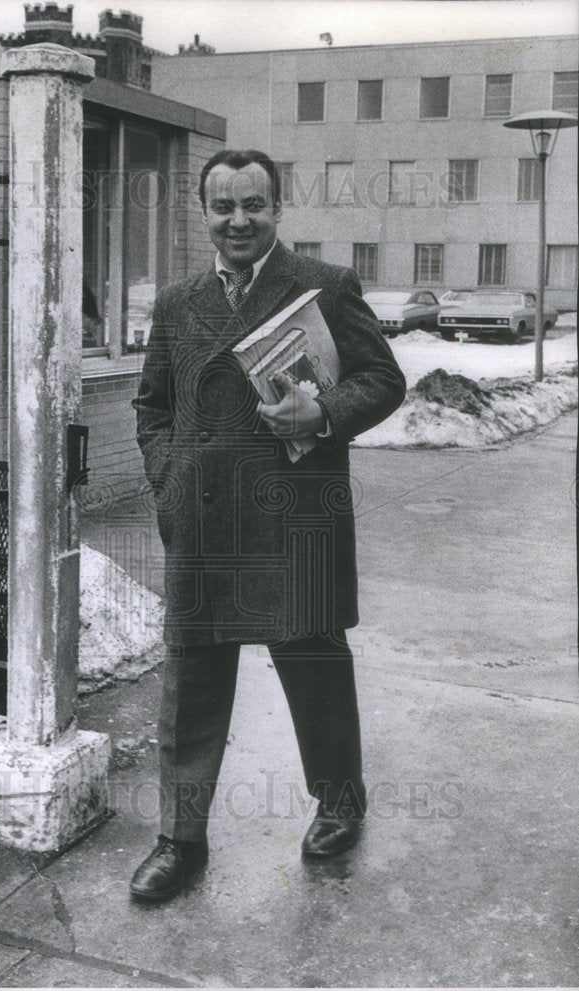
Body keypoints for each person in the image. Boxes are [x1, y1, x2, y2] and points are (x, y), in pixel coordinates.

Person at [129, 149, 406, 903]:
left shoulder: (323, 286)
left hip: (298, 519)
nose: (238, 221)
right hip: (205, 520)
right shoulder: (179, 302)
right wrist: (169, 480)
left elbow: (384, 379)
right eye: (223, 208)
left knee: (314, 667)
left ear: (277, 208)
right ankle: (179, 839)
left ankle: (338, 803)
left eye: (253, 205)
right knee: (191, 680)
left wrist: (322, 412)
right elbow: (152, 406)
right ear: (205, 214)